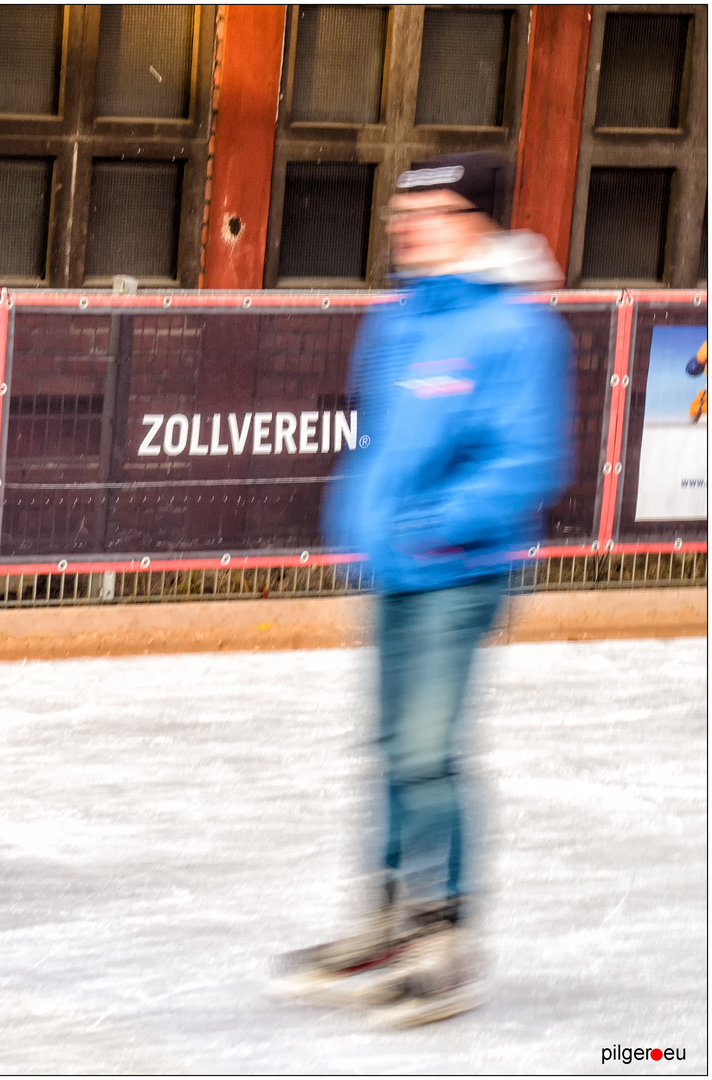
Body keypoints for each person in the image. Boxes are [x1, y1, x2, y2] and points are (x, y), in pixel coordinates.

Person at [270, 153, 572, 1025]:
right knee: (393, 747)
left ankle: (447, 938)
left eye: (432, 210)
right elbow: (385, 445)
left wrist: (435, 524)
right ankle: (391, 919)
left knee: (427, 754)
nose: (409, 225)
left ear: (478, 222)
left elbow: (527, 461)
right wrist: (372, 526)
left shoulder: (517, 330)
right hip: (397, 568)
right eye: (404, 210)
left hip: (461, 569)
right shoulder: (399, 321)